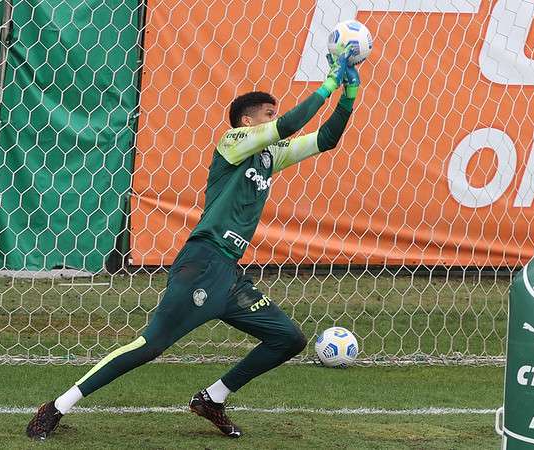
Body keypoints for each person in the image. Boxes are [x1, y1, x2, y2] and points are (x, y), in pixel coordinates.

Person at [26, 42, 361, 440]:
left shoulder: (271, 156)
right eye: (268, 113)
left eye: (274, 113)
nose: (276, 118)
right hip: (202, 262)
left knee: (287, 338)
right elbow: (288, 125)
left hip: (229, 275)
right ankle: (56, 407)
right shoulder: (233, 142)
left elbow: (326, 139)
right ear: (246, 121)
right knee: (149, 346)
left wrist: (350, 91)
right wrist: (327, 84)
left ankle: (212, 399)